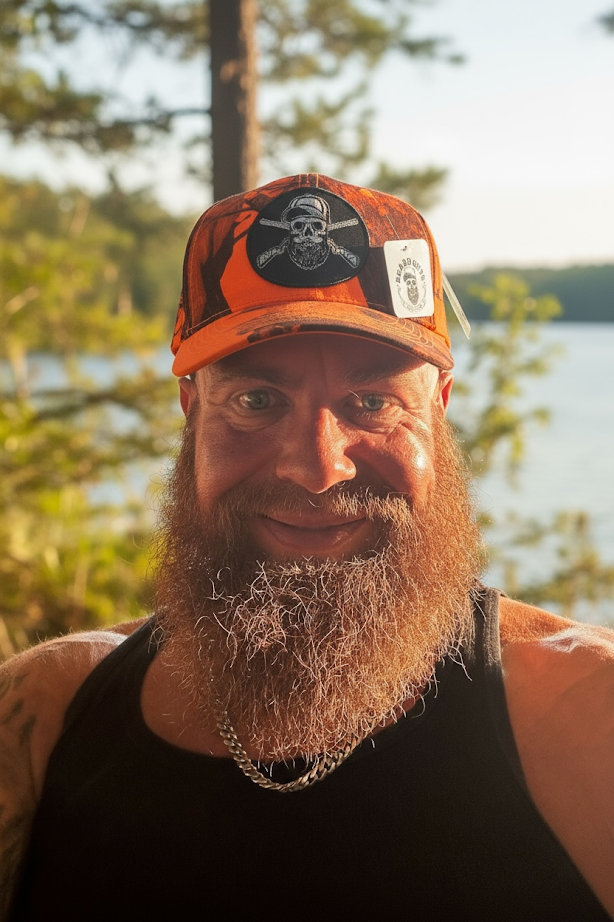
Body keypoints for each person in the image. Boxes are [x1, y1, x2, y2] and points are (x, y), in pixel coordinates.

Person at [1, 174, 613, 920]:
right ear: (193, 413)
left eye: (374, 402)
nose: (318, 467)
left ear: (440, 410)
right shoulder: (45, 719)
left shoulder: (591, 718)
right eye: (257, 401)